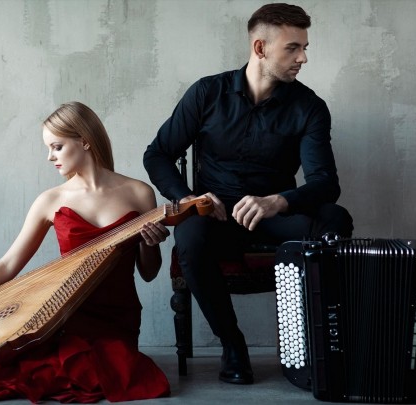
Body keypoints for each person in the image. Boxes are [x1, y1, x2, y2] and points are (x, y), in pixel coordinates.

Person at [143, 3, 353, 385]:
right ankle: (233, 345)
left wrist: (278, 201)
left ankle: (314, 345)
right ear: (260, 48)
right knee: (189, 234)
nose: (303, 58)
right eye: (293, 48)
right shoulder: (207, 93)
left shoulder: (310, 108)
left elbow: (326, 182)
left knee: (335, 219)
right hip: (215, 218)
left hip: (275, 220)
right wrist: (189, 198)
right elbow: (157, 154)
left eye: (304, 47)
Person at [0, 101, 171, 403]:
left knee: (117, 373)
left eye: (57, 147)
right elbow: (8, 264)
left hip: (118, 318)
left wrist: (150, 245)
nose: (50, 157)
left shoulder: (139, 192)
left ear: (85, 141)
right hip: (62, 316)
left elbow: (149, 272)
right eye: (49, 148)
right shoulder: (50, 200)